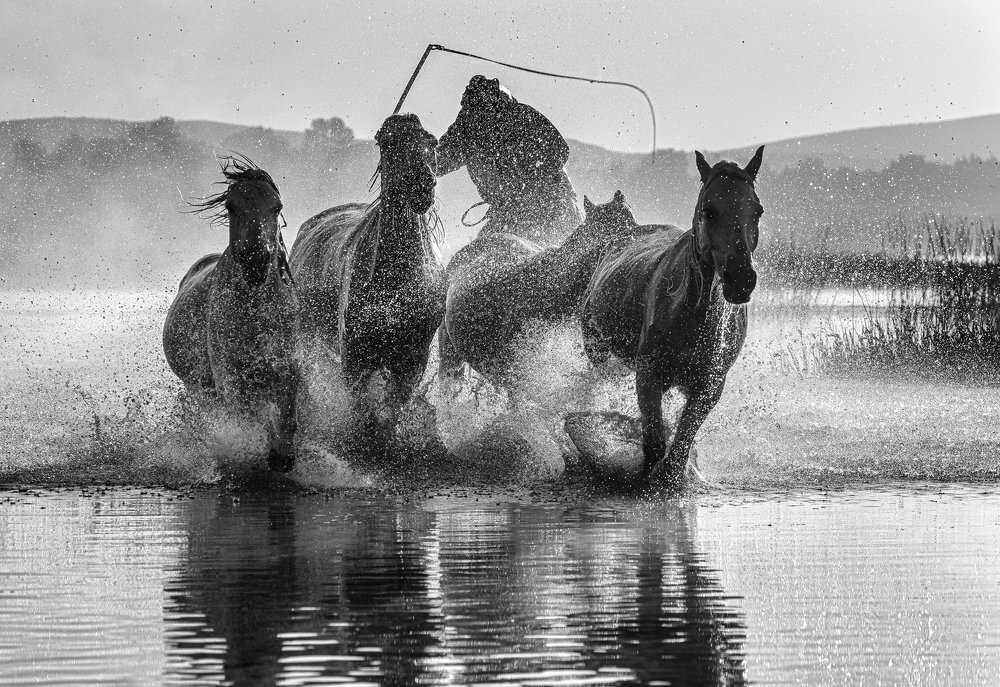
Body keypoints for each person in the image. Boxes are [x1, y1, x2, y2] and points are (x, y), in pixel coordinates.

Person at [435, 75, 583, 246]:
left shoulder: (522, 116)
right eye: (475, 112)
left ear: (496, 104)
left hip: (551, 201)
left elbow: (559, 150)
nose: (482, 119)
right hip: (506, 210)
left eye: (485, 112)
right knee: (480, 253)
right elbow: (439, 161)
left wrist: (531, 182)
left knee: (570, 248)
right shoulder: (466, 128)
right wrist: (411, 159)